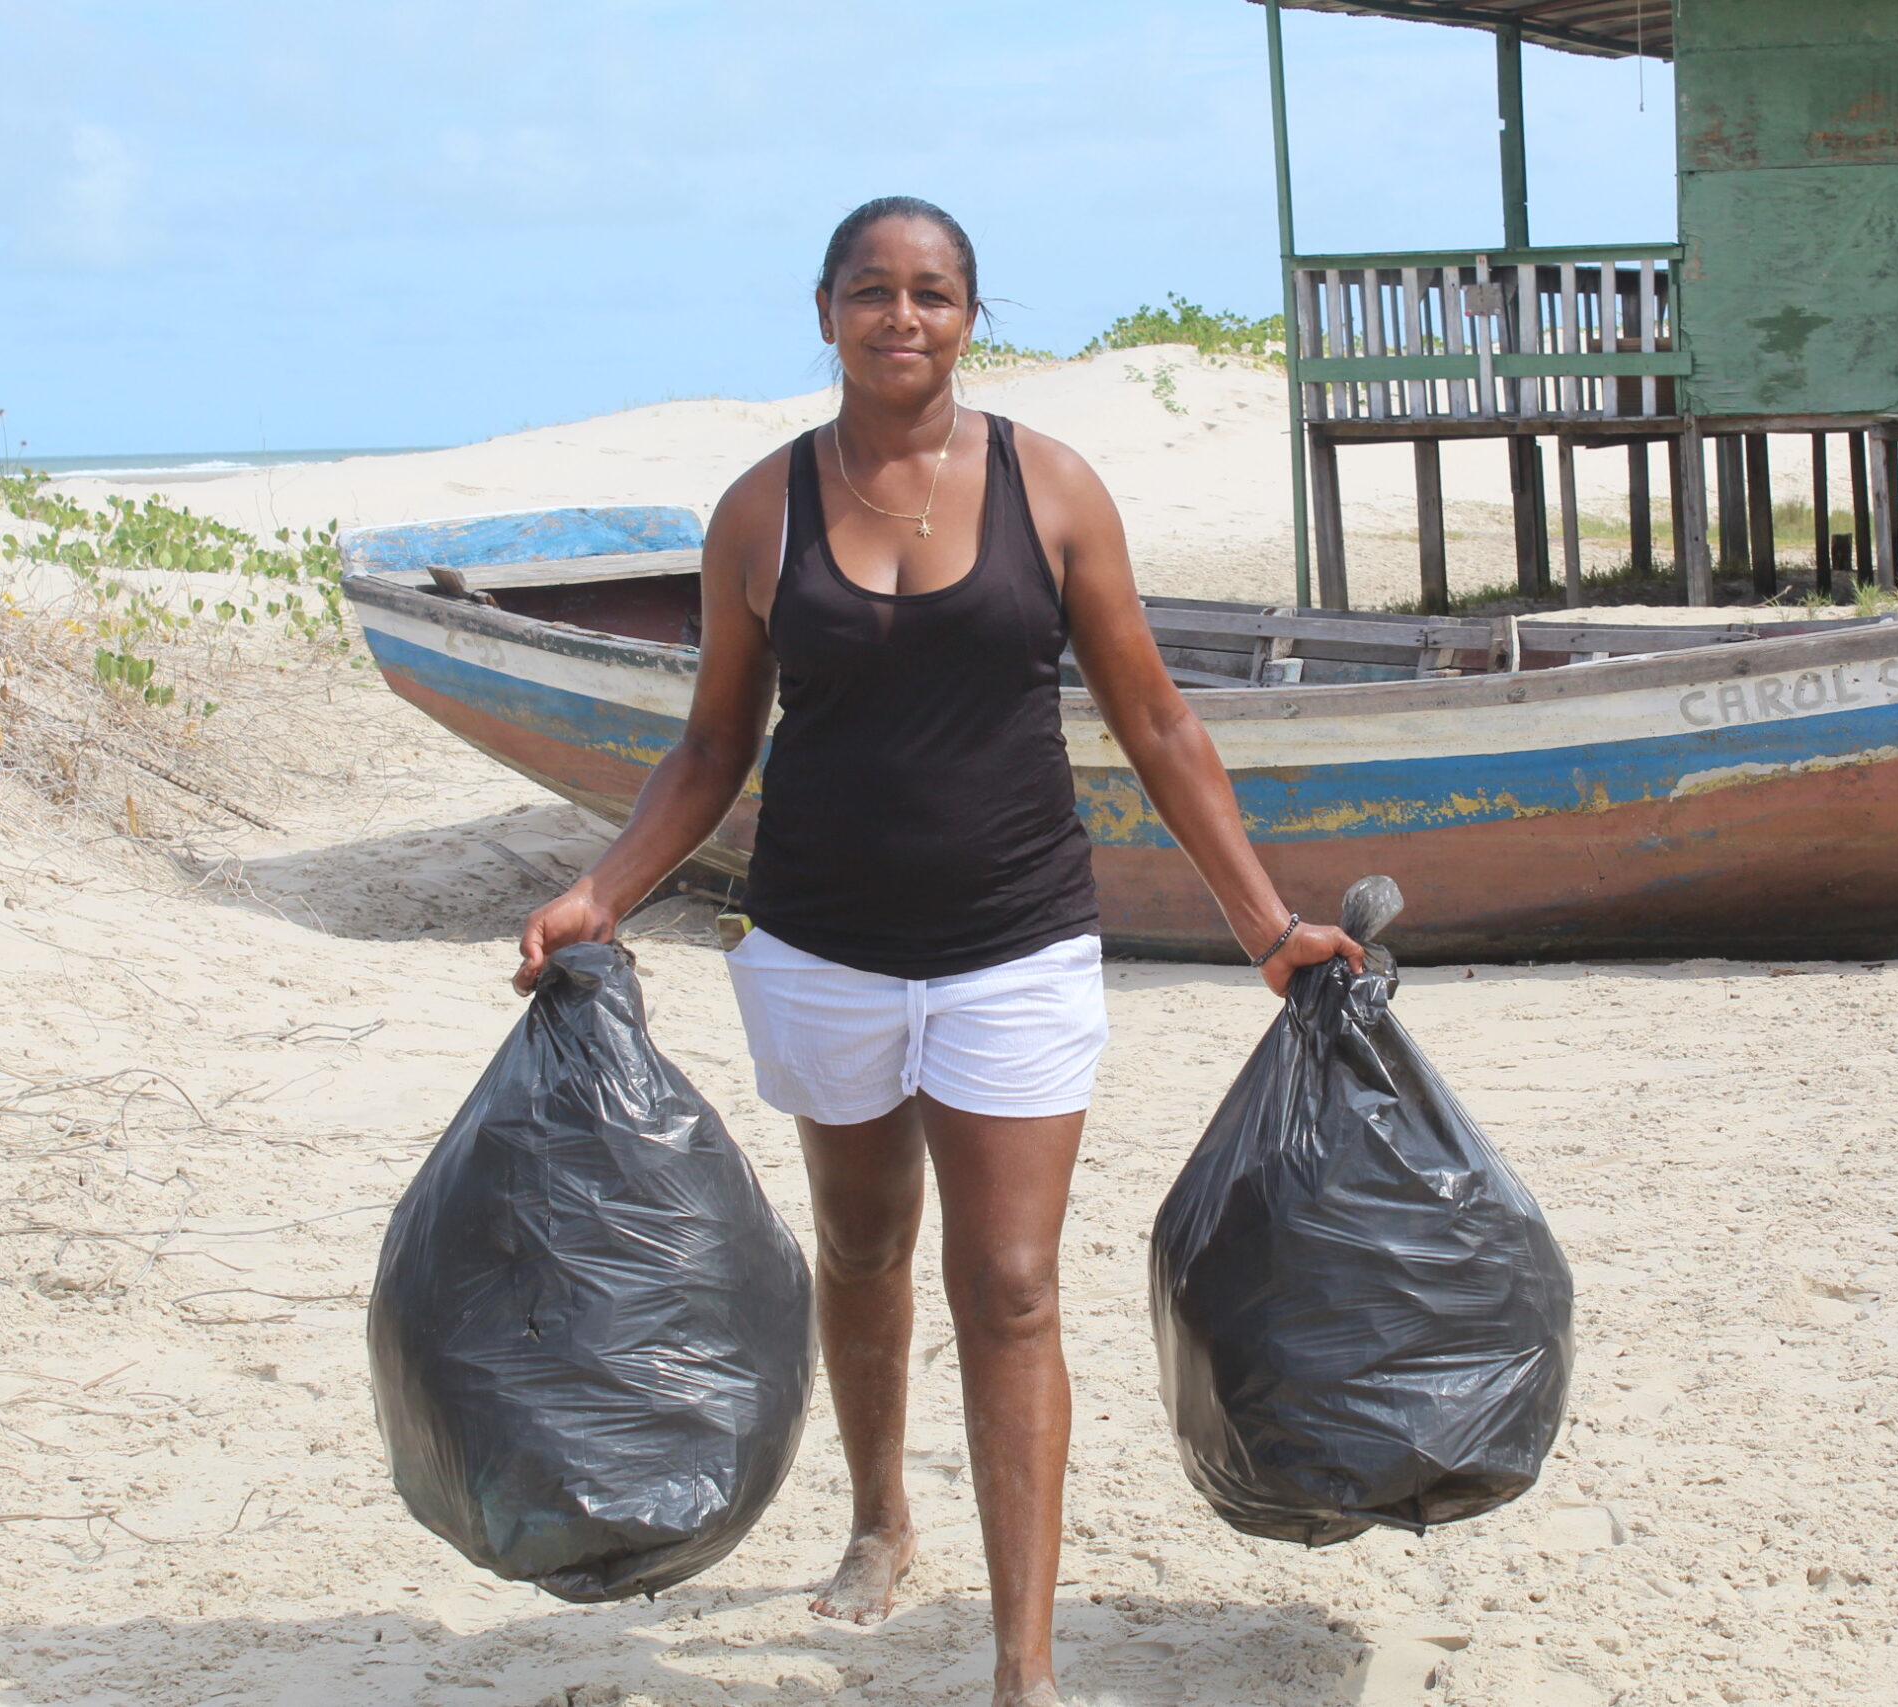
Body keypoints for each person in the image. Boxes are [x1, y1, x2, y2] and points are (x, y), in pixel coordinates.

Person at [514, 195, 1361, 1707]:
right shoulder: (759, 511)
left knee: (1016, 1283)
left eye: (934, 294)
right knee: (859, 1247)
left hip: (1015, 941)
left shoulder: (1055, 490)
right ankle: (880, 1519)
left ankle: (1021, 1669)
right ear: (825, 311)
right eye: (873, 293)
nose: (903, 319)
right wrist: (602, 893)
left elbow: (1159, 722)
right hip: (822, 939)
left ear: (973, 315)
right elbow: (713, 742)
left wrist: (1263, 924)